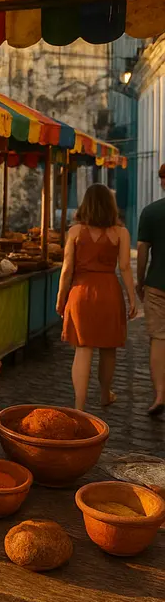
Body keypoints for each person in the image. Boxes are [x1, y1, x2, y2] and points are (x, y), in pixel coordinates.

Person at [57, 184, 137, 412]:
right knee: (108, 348)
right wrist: (132, 298)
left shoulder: (75, 232)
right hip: (109, 292)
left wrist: (61, 297)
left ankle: (79, 406)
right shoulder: (121, 233)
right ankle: (104, 394)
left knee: (83, 349)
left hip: (80, 293)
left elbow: (67, 270)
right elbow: (125, 267)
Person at [137, 163, 165, 416]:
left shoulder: (151, 212)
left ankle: (160, 395)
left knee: (159, 338)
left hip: (157, 285)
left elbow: (143, 251)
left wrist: (140, 281)